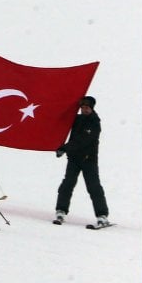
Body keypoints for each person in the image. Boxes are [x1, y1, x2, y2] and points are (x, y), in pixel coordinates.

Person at [54, 96, 109, 227]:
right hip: (74, 159)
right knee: (67, 185)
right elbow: (60, 124)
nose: (84, 110)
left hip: (88, 160)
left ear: (92, 108)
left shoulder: (95, 122)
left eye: (87, 108)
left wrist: (64, 148)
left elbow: (83, 140)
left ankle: (102, 215)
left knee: (94, 187)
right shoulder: (77, 119)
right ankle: (61, 210)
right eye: (82, 107)